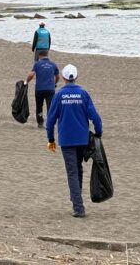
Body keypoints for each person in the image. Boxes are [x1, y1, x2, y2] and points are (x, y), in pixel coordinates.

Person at [45, 64, 102, 218]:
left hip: (67, 140)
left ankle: (78, 207)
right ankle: (76, 198)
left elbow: (50, 120)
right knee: (77, 169)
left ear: (63, 78)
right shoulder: (83, 93)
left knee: (73, 172)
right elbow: (95, 116)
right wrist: (99, 131)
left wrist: (50, 138)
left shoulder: (59, 95)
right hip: (81, 139)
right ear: (76, 77)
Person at [26, 50, 60, 128]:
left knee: (39, 106)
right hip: (50, 89)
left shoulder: (37, 64)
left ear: (40, 56)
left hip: (39, 89)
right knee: (50, 106)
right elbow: (57, 77)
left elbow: (31, 75)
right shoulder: (53, 64)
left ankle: (40, 122)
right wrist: (54, 83)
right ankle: (49, 123)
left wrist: (26, 82)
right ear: (47, 55)